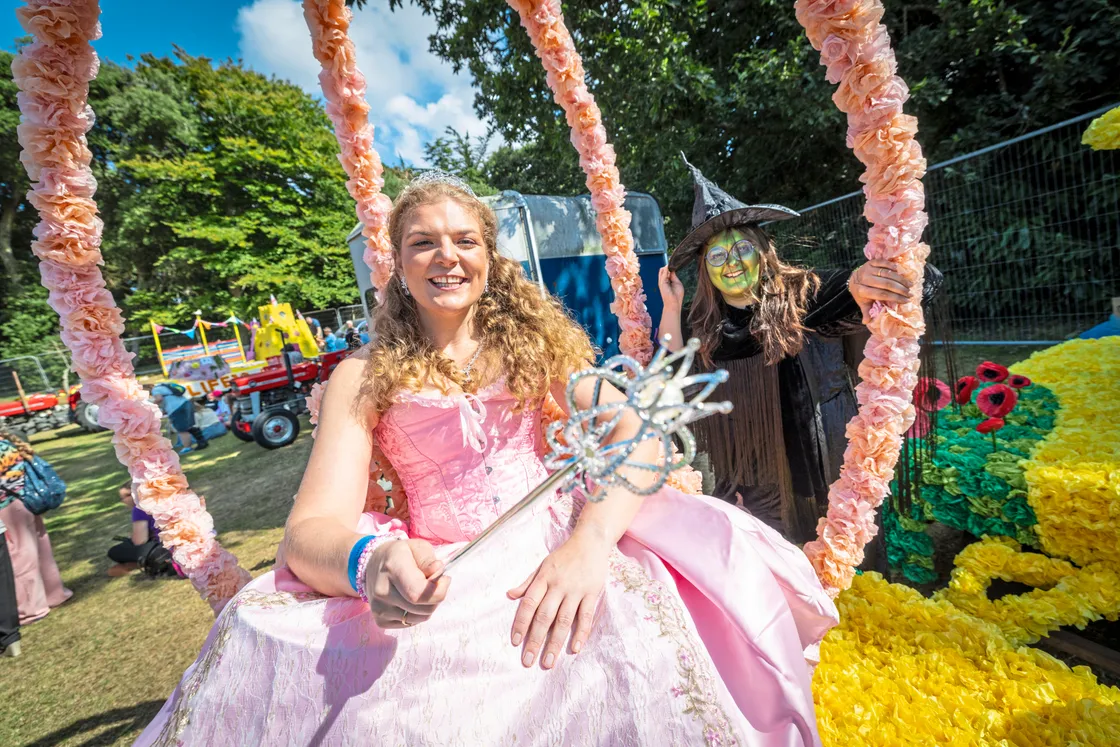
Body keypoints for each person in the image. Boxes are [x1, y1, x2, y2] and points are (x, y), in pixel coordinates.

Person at [136, 174, 837, 746]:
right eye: (423, 242)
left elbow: (641, 434)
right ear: (399, 265)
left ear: (488, 257)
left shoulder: (538, 349)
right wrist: (372, 563)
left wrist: (589, 543)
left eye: (465, 239)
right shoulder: (361, 374)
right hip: (445, 570)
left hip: (560, 549)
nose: (447, 255)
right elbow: (309, 530)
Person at [658, 156, 942, 543]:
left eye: (741, 248)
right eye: (717, 257)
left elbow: (850, 290)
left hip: (820, 457)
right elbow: (673, 367)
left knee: (837, 551)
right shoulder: (707, 322)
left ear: (762, 251)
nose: (732, 263)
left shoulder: (801, 292)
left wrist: (861, 286)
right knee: (777, 557)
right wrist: (672, 307)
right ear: (706, 270)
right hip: (754, 475)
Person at [0, 430, 72, 627]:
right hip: (24, 503)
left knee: (19, 559)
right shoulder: (6, 443)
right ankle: (54, 594)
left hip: (7, 508)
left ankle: (30, 610)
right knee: (41, 551)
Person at [150, 384, 208, 455]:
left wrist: (152, 405)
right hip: (185, 403)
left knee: (181, 430)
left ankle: (187, 447)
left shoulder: (155, 390)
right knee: (189, 425)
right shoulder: (163, 386)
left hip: (175, 408)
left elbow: (159, 398)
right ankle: (202, 442)